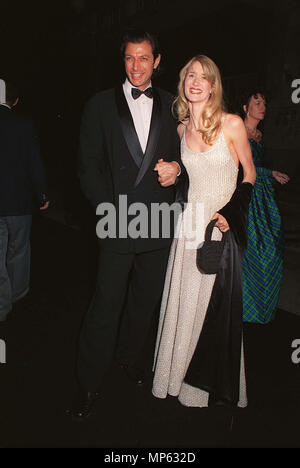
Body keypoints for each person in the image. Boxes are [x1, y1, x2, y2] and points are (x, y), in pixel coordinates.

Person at [68, 30, 185, 421]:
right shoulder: (99, 105)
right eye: (130, 58)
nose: (137, 66)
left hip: (158, 222)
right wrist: (109, 212)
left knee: (144, 302)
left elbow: (190, 160)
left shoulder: (172, 106)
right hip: (117, 221)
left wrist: (179, 170)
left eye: (144, 58)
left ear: (157, 60)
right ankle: (87, 382)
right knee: (105, 305)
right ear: (123, 60)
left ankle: (131, 358)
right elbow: (88, 166)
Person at [152, 55, 256, 408]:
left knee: (214, 309)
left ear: (214, 85)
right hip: (188, 227)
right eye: (190, 75)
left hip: (217, 228)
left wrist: (231, 212)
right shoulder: (181, 128)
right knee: (184, 303)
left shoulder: (232, 124)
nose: (196, 81)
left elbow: (250, 174)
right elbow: (185, 172)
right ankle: (175, 378)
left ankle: (205, 386)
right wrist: (174, 169)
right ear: (183, 83)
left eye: (204, 77)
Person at [0, 79, 49, 322]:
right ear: (15, 101)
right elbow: (34, 163)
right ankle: (16, 296)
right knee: (18, 250)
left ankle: (1, 304)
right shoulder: (24, 124)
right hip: (19, 201)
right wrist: (42, 194)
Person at [241, 91, 289, 323]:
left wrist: (270, 176)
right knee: (252, 251)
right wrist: (269, 173)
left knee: (272, 250)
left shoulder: (259, 134)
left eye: (264, 103)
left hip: (262, 195)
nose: (262, 107)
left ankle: (260, 307)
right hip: (245, 194)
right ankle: (240, 306)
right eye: (257, 103)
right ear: (245, 107)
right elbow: (241, 166)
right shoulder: (237, 129)